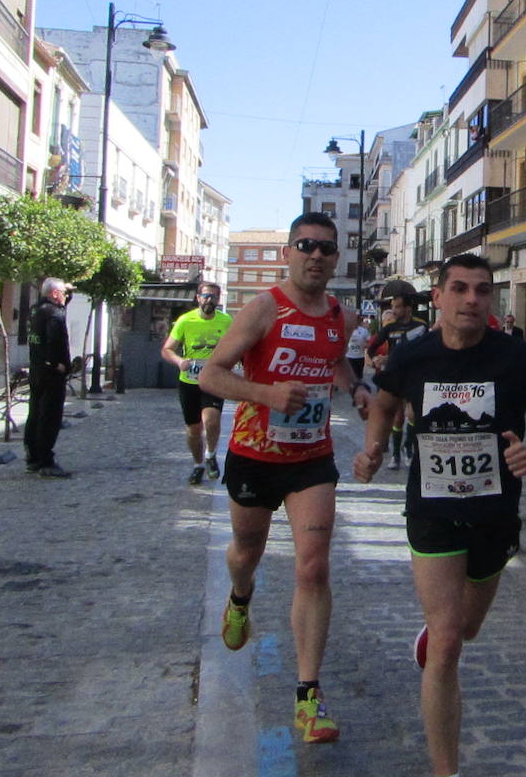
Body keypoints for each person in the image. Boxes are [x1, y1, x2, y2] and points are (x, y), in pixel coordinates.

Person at [353, 253, 526, 777]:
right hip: (431, 509)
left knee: (468, 627)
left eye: (482, 290)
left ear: (492, 299)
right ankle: (446, 770)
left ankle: (442, 630)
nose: (471, 299)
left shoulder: (516, 357)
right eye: (458, 288)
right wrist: (372, 448)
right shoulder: (413, 356)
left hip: (494, 514)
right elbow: (386, 405)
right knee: (449, 642)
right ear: (436, 297)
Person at [199, 213, 370, 744]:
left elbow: (335, 362)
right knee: (245, 552)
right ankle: (240, 597)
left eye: (325, 248)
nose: (315, 255)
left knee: (314, 567)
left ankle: (308, 696)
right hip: (254, 454)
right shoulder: (264, 308)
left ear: (336, 257)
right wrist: (267, 394)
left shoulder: (342, 316)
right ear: (288, 253)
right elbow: (211, 373)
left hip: (311, 458)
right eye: (305, 245)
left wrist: (355, 387)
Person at [161, 282, 233, 485]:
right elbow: (167, 349)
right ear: (198, 297)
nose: (210, 300)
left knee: (211, 420)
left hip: (213, 379)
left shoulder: (226, 321)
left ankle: (211, 455)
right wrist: (179, 361)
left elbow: (237, 346)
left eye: (214, 297)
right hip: (189, 381)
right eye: (206, 296)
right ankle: (198, 464)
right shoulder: (185, 320)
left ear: (219, 300)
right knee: (193, 430)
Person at [366, 289, 428, 469]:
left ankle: (408, 447)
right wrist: (375, 361)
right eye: (393, 307)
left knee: (414, 415)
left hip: (415, 375)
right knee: (398, 417)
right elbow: (372, 347)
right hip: (395, 376)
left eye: (397, 307)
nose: (394, 311)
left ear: (408, 309)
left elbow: (427, 348)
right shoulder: (389, 328)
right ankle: (395, 455)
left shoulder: (421, 325)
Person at [26, 277, 74, 479]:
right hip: (52, 373)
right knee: (50, 416)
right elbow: (54, 340)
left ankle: (33, 457)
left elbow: (59, 306)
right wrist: (58, 364)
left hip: (36, 370)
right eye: (63, 292)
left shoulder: (36, 310)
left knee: (35, 412)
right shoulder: (54, 314)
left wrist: (68, 292)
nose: (65, 296)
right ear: (55, 294)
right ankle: (46, 460)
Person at [344, 318, 371, 387]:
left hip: (360, 356)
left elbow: (369, 343)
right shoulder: (346, 330)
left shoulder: (364, 331)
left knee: (359, 376)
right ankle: (353, 388)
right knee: (351, 375)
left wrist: (365, 345)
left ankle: (359, 387)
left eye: (356, 321)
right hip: (349, 356)